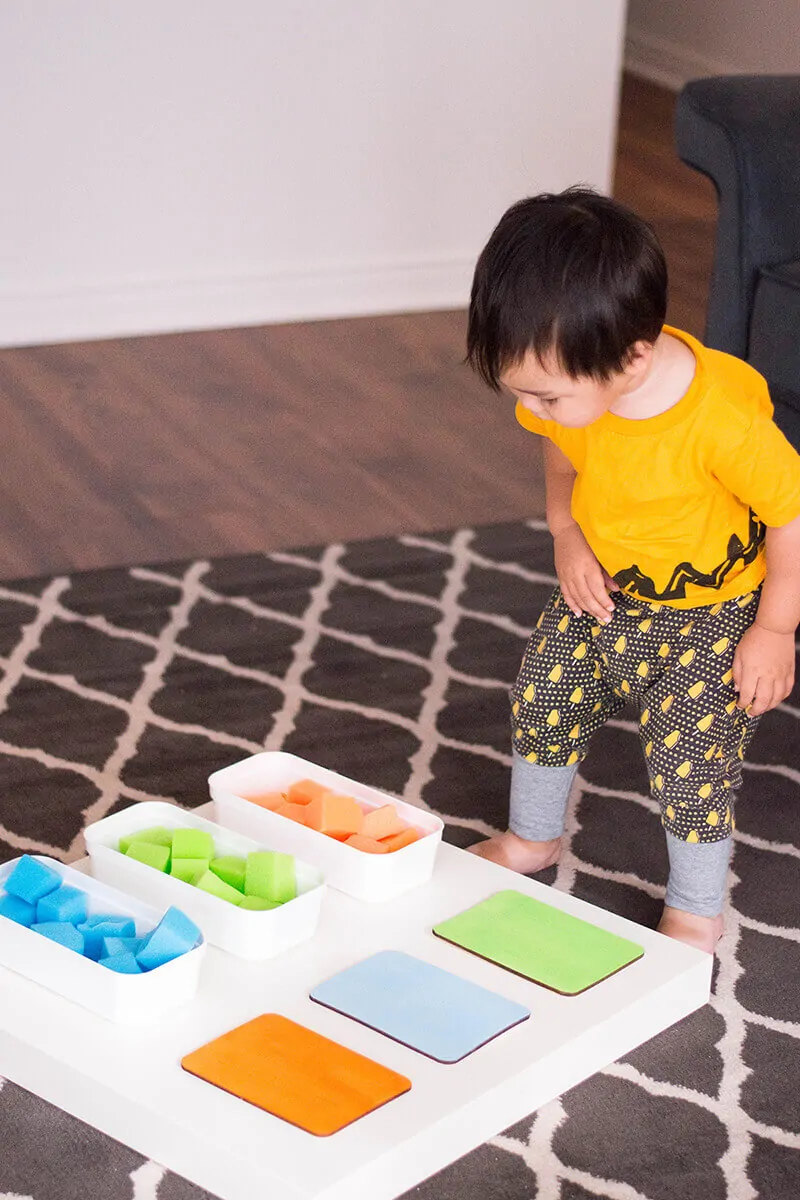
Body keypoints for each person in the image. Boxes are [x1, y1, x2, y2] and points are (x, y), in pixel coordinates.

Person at [465, 187, 800, 953]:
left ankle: (694, 903)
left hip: (712, 609)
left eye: (545, 394)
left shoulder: (719, 424)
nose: (533, 410)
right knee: (545, 690)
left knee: (691, 752)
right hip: (609, 585)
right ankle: (533, 838)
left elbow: (791, 515)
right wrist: (565, 538)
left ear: (632, 359)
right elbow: (560, 466)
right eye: (520, 393)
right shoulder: (563, 399)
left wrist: (776, 628)